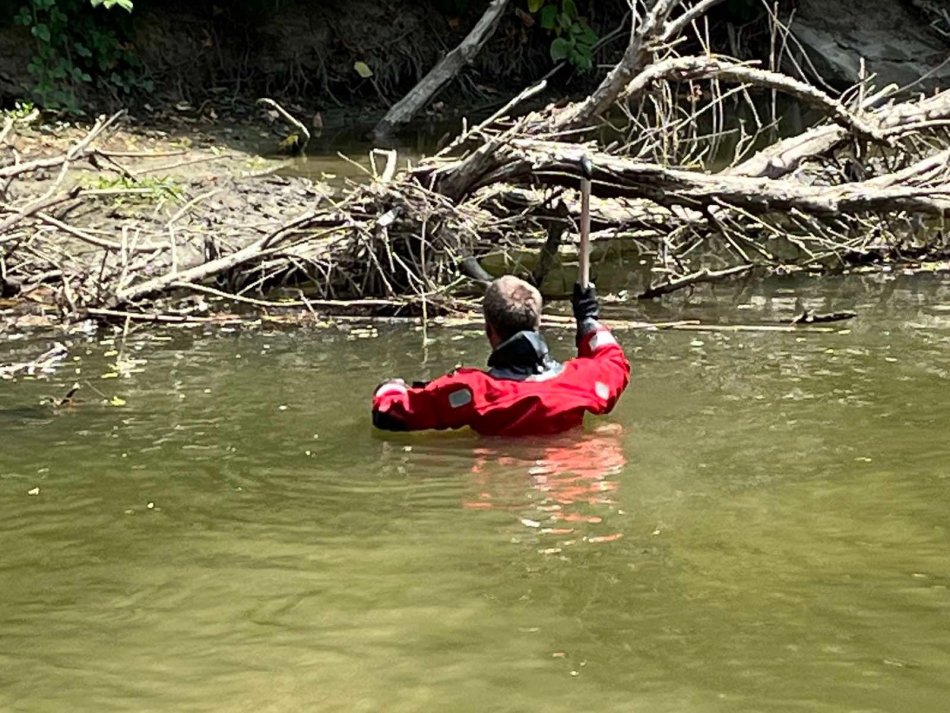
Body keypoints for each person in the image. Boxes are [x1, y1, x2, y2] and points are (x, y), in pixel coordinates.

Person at [371, 276, 630, 436]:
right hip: (572, 474)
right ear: (538, 323)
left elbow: (390, 414)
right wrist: (587, 319)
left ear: (489, 330)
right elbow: (613, 359)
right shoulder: (585, 381)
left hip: (504, 481)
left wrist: (390, 387)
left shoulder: (472, 391)